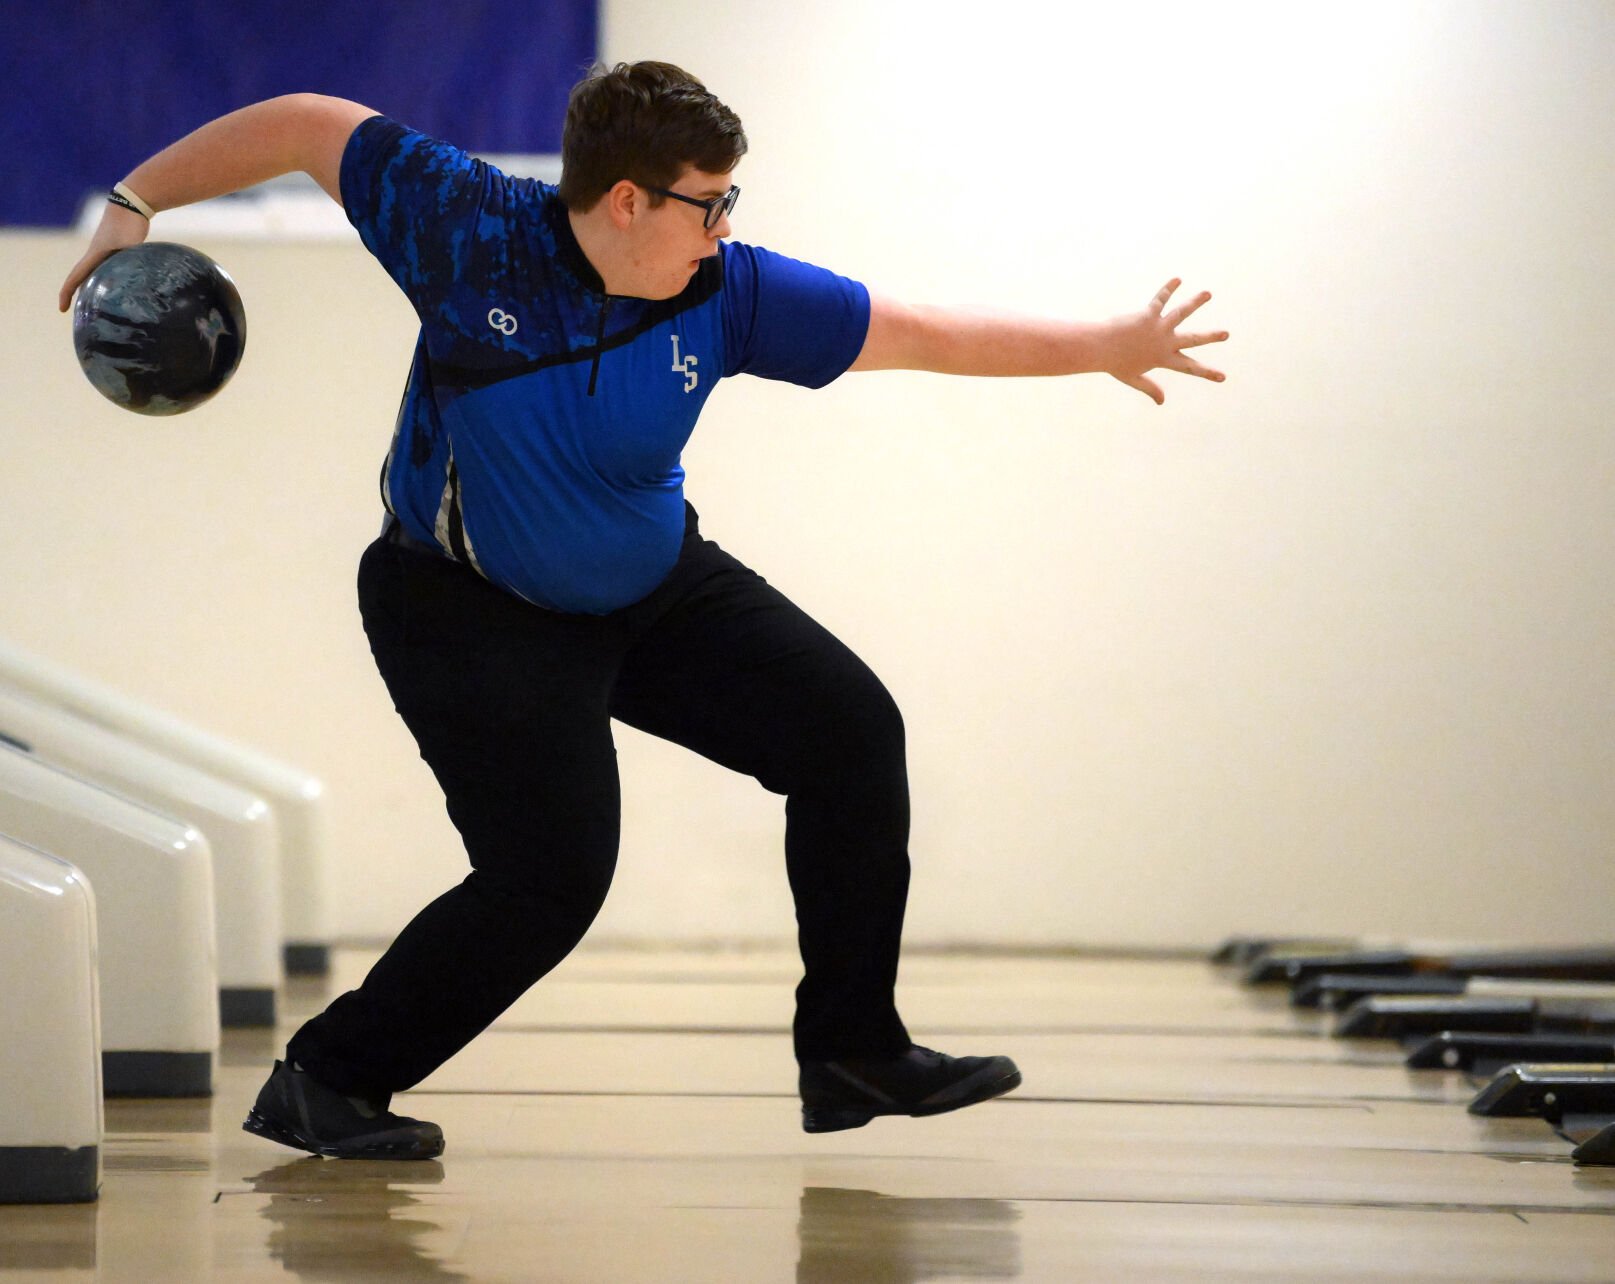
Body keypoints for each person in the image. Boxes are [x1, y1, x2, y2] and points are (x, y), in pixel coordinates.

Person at [60, 62, 1227, 1159]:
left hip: (654, 587)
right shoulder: (467, 230)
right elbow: (307, 123)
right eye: (707, 205)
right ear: (627, 200)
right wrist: (133, 200)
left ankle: (854, 1054)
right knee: (550, 878)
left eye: (730, 204)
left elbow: (920, 331)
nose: (725, 228)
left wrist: (1104, 345)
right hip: (465, 605)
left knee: (850, 735)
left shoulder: (728, 289)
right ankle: (331, 1079)